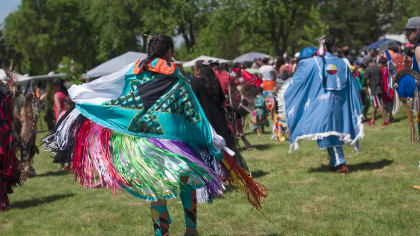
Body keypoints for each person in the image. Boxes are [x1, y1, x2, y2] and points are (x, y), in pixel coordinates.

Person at [43, 35, 266, 235]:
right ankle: (191, 230)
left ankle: (162, 234)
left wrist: (88, 97)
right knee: (186, 180)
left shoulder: (134, 71)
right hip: (173, 141)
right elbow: (191, 109)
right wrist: (210, 135)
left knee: (155, 191)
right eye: (173, 51)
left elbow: (119, 93)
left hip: (143, 142)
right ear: (168, 52)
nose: (174, 55)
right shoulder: (172, 75)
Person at [284, 35, 363, 174]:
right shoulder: (342, 63)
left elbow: (299, 80)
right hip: (338, 103)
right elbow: (351, 86)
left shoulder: (313, 62)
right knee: (327, 133)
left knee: (329, 132)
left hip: (323, 104)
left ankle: (340, 163)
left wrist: (287, 92)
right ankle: (334, 161)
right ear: (333, 47)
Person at [191, 62, 249, 171]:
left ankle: (216, 172)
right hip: (219, 118)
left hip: (205, 120)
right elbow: (222, 99)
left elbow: (194, 102)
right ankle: (234, 170)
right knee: (225, 145)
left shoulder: (195, 82)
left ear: (198, 70)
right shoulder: (214, 81)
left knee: (209, 147)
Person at [0, 72, 21, 210]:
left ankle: (3, 201)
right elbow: (12, 115)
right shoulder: (7, 94)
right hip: (5, 132)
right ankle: (3, 200)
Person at [365, 59, 391, 126]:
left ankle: (385, 120)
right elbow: (381, 78)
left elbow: (368, 81)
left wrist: (369, 88)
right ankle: (372, 120)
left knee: (379, 105)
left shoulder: (367, 69)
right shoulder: (378, 68)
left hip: (374, 89)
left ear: (367, 62)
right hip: (379, 88)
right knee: (374, 106)